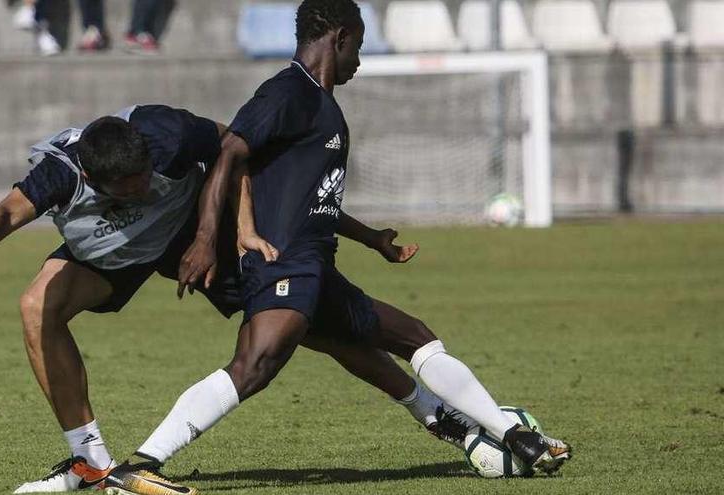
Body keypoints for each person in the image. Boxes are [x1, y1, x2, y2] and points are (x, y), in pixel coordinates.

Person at [102, 1, 572, 494]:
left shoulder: (321, 106)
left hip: (315, 268)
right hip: (283, 262)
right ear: (340, 37)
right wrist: (205, 240)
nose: (359, 61)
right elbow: (229, 152)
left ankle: (509, 434)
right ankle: (136, 468)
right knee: (255, 365)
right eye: (359, 47)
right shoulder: (288, 93)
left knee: (415, 337)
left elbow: (313, 197)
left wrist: (371, 239)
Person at [0, 103, 481, 494]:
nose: (144, 185)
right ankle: (90, 463)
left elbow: (236, 152)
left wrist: (239, 231)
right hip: (116, 249)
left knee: (308, 323)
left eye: (145, 176)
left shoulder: (165, 134)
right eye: (129, 186)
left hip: (203, 233)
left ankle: (432, 410)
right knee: (37, 306)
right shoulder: (62, 171)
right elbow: (7, 212)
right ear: (92, 176)